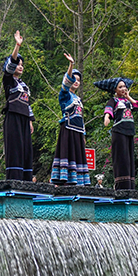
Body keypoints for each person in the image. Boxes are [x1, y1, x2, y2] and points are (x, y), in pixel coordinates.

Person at [50, 53, 88, 185]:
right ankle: (64, 180)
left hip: (78, 131)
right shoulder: (65, 95)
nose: (76, 82)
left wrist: (83, 134)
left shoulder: (78, 99)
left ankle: (78, 181)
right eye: (74, 79)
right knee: (68, 154)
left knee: (78, 155)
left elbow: (81, 118)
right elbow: (65, 84)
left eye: (78, 80)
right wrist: (71, 65)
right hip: (68, 129)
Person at [2, 31, 34, 181]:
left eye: (22, 65)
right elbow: (10, 65)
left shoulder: (24, 85)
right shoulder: (8, 80)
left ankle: (27, 179)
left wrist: (30, 120)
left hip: (24, 118)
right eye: (18, 64)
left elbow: (27, 103)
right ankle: (14, 179)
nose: (20, 67)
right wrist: (17, 46)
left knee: (26, 148)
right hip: (13, 116)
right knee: (15, 148)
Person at [101, 77, 138, 189]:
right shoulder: (114, 100)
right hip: (119, 131)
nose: (123, 88)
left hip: (129, 132)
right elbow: (108, 110)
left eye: (124, 86)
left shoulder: (128, 101)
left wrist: (128, 96)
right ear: (115, 90)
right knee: (122, 158)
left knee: (129, 158)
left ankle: (131, 185)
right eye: (120, 87)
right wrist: (107, 117)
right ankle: (121, 185)